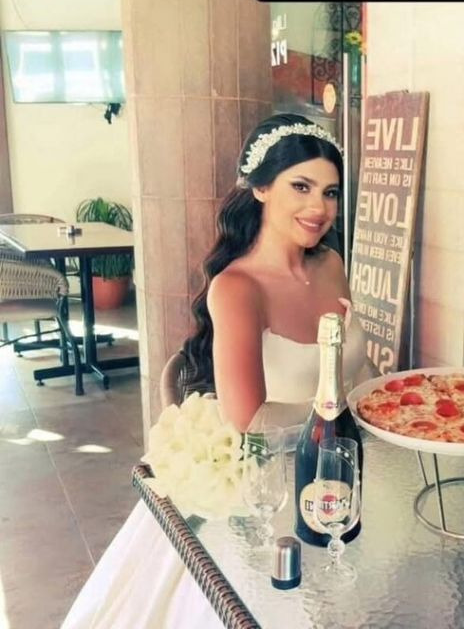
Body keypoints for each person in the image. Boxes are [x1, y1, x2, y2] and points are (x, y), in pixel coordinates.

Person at [63, 114, 371, 628]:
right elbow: (249, 417)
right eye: (301, 187)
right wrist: (348, 414)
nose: (319, 208)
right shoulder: (238, 287)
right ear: (261, 188)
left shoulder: (331, 264)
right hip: (270, 486)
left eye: (330, 192)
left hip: (344, 468)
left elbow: (350, 364)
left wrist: (379, 402)